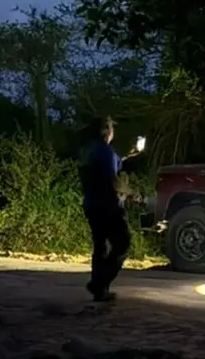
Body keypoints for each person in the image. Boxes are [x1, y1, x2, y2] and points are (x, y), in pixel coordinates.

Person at [78, 116, 138, 301]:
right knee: (122, 243)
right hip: (108, 205)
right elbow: (113, 179)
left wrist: (126, 156)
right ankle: (100, 283)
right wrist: (131, 193)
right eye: (112, 128)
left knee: (100, 246)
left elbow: (102, 168)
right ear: (107, 132)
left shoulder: (89, 150)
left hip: (91, 204)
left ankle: (99, 287)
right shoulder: (106, 152)